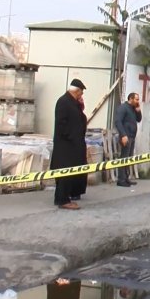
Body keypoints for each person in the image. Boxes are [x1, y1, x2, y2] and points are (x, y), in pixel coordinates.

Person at [51, 79, 89, 210]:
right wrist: (72, 137)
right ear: (77, 91)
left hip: (74, 145)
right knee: (65, 173)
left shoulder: (73, 103)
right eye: (81, 93)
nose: (81, 95)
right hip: (66, 146)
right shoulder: (63, 102)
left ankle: (70, 195)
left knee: (72, 173)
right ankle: (62, 200)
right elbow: (62, 124)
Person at [114, 92, 142, 187]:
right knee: (124, 157)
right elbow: (118, 121)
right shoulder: (123, 108)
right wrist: (123, 135)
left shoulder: (133, 109)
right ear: (131, 99)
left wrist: (138, 111)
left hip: (132, 136)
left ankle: (126, 178)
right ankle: (121, 180)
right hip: (126, 136)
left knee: (128, 158)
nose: (138, 101)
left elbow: (139, 119)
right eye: (136, 99)